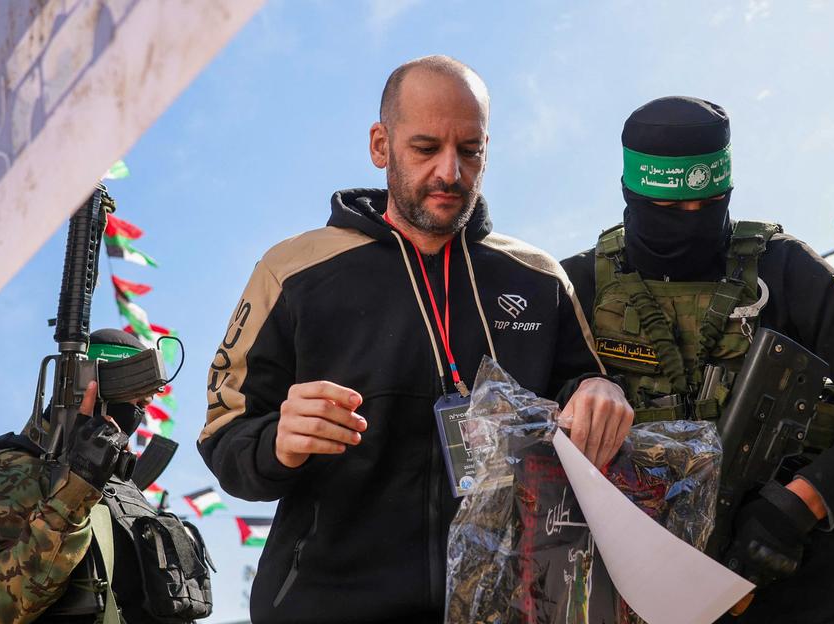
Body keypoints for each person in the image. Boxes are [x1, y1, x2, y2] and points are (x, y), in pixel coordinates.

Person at [197, 55, 634, 624]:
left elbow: (583, 388)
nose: (450, 172)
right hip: (327, 605)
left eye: (470, 150)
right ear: (381, 146)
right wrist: (279, 440)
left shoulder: (539, 277)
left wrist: (602, 388)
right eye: (425, 148)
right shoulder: (292, 270)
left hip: (512, 608)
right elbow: (224, 433)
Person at [560, 96, 834, 624]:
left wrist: (796, 508)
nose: (692, 222)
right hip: (634, 594)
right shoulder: (577, 286)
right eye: (670, 211)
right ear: (631, 194)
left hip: (801, 589)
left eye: (710, 204)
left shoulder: (783, 268)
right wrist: (580, 389)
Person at [0, 329, 213, 624]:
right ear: (91, 389)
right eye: (137, 404)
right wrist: (75, 493)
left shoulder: (120, 489)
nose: (138, 417)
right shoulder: (8, 470)